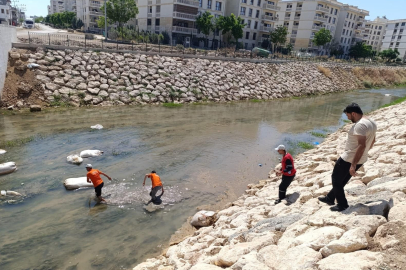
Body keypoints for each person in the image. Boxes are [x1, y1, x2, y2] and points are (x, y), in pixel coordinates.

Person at [319, 103, 377, 211]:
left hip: (349, 158)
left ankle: (342, 205)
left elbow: (362, 145)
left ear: (353, 113)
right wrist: (364, 154)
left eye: (348, 115)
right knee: (343, 179)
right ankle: (330, 197)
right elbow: (373, 140)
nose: (348, 118)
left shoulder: (360, 125)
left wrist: (353, 164)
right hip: (362, 158)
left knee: (336, 180)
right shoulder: (371, 122)